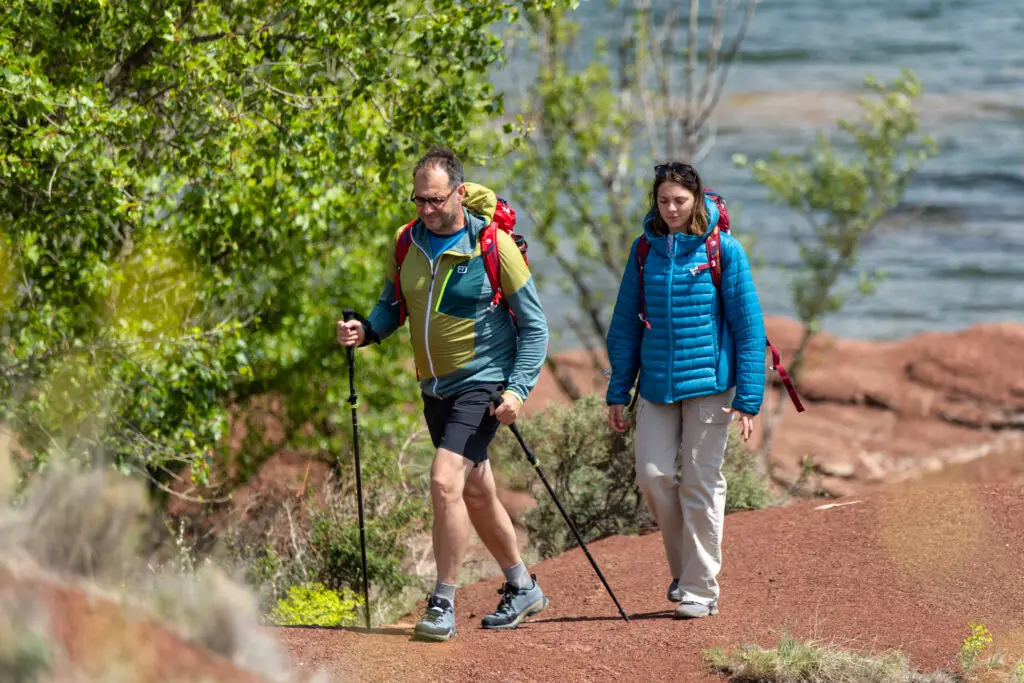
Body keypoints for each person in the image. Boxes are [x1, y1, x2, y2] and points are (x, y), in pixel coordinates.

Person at [336, 145, 550, 641]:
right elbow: (395, 305)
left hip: (483, 381)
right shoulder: (407, 241)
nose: (427, 210)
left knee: (443, 481)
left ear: (458, 191)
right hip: (434, 388)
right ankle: (523, 587)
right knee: (475, 490)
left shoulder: (493, 245)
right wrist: (365, 330)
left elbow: (535, 327)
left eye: (435, 200)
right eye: (419, 201)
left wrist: (517, 390)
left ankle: (441, 604)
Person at [605, 162, 766, 620]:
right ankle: (685, 573)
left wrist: (748, 399)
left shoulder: (723, 251)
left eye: (680, 200)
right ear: (654, 202)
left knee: (700, 483)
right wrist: (620, 390)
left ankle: (700, 588)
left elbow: (749, 328)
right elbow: (624, 326)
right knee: (652, 477)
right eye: (663, 201)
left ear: (696, 199)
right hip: (656, 386)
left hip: (711, 387)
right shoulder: (644, 251)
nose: (672, 208)